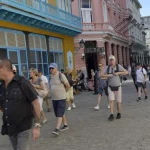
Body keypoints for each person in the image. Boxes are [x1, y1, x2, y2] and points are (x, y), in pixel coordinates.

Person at [0, 59, 41, 150]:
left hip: (23, 127)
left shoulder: (22, 82)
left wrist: (37, 125)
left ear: (3, 68)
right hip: (10, 127)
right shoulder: (1, 86)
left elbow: (35, 103)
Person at [102, 55, 128, 121]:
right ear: (109, 61)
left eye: (112, 59)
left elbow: (126, 72)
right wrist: (108, 75)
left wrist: (118, 73)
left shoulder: (118, 66)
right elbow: (101, 75)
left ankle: (119, 113)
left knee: (118, 101)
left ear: (115, 60)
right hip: (110, 87)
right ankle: (111, 114)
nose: (111, 61)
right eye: (110, 60)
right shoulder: (107, 68)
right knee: (111, 100)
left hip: (118, 87)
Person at [49, 63, 70, 136]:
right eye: (50, 68)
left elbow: (68, 85)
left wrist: (65, 92)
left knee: (59, 113)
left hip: (61, 97)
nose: (51, 69)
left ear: (56, 68)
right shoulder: (50, 76)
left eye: (52, 68)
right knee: (59, 112)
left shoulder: (61, 75)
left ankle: (56, 129)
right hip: (54, 98)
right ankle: (65, 125)